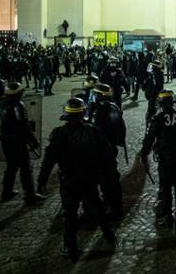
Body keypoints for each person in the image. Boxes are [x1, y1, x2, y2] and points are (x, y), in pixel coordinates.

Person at [37, 98, 116, 262]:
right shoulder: (93, 131)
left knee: (70, 214)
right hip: (89, 177)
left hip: (69, 179)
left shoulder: (58, 133)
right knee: (97, 206)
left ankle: (70, 247)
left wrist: (41, 181)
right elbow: (107, 155)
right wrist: (106, 174)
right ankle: (109, 235)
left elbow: (49, 160)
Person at [141, 90, 176, 227]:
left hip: (165, 158)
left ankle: (168, 215)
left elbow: (149, 138)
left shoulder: (158, 117)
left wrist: (144, 153)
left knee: (166, 187)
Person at [0, 82, 46, 205]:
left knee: (11, 166)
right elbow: (23, 126)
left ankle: (6, 192)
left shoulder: (1, 104)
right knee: (25, 167)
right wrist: (33, 141)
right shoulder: (18, 105)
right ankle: (30, 195)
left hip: (6, 139)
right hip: (17, 141)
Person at [86, 83, 125, 219]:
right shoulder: (114, 107)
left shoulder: (99, 111)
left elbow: (95, 131)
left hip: (102, 151)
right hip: (111, 147)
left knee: (107, 180)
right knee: (111, 179)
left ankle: (113, 208)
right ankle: (114, 205)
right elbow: (121, 129)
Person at [143, 60, 164, 126]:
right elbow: (160, 85)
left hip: (153, 95)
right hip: (156, 94)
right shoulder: (158, 73)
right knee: (155, 109)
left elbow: (153, 84)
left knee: (151, 110)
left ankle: (149, 125)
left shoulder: (153, 73)